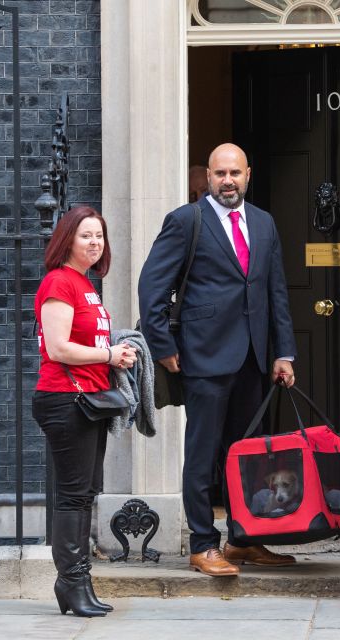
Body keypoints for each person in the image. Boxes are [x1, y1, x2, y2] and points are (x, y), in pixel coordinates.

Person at [138, 143, 298, 577]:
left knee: (247, 453)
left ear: (249, 174)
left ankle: (244, 540)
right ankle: (203, 543)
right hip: (203, 356)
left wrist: (282, 352)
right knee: (204, 453)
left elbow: (275, 291)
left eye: (235, 173)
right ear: (207, 177)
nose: (228, 181)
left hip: (254, 359)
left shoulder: (263, 223)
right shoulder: (185, 221)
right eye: (219, 174)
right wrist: (164, 348)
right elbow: (151, 289)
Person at [32, 206, 139, 617]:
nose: (95, 243)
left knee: (86, 492)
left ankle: (79, 583)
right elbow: (58, 348)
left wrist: (116, 353)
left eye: (100, 236)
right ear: (67, 240)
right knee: (74, 495)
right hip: (64, 398)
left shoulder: (84, 284)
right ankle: (71, 583)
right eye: (86, 236)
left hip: (87, 401)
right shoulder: (60, 282)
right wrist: (110, 354)